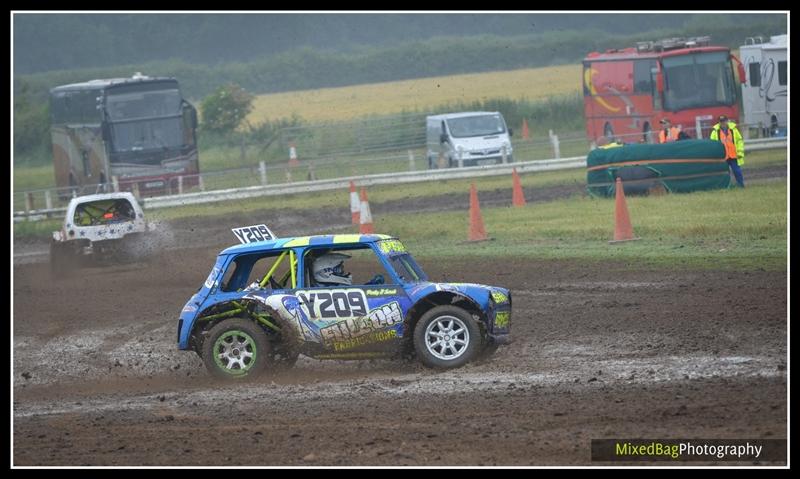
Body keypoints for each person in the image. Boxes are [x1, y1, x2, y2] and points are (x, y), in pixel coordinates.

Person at [709, 115, 745, 187]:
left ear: (727, 121)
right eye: (721, 121)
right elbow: (712, 144)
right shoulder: (715, 131)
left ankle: (741, 185)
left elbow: (739, 141)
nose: (723, 123)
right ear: (719, 122)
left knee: (737, 171)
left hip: (733, 155)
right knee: (725, 172)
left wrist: (740, 152)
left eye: (724, 121)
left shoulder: (733, 129)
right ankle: (727, 186)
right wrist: (716, 155)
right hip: (723, 156)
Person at [312, 252, 384, 287]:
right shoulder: (329, 290)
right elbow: (356, 294)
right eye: (339, 270)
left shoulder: (331, 287)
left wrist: (370, 285)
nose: (342, 272)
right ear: (325, 272)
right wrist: (371, 285)